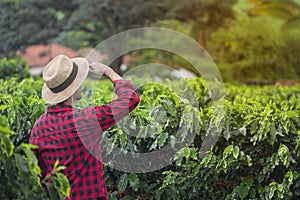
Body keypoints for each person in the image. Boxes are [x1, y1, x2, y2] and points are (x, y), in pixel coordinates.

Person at [29, 55, 140, 200]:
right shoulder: (86, 121)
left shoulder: (38, 128)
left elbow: (36, 175)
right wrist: (108, 71)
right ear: (74, 87)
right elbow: (130, 99)